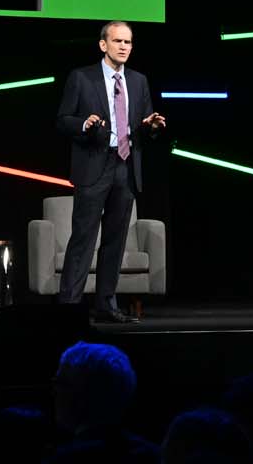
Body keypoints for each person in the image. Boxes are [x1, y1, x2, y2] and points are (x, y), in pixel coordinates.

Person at [55, 21, 166, 323]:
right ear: (103, 45)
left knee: (115, 241)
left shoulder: (139, 81)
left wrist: (151, 127)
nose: (124, 47)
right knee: (83, 239)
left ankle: (106, 305)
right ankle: (69, 308)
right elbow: (63, 119)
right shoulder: (82, 77)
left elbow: (144, 125)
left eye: (128, 42)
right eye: (118, 41)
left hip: (126, 167)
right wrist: (84, 124)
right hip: (94, 165)